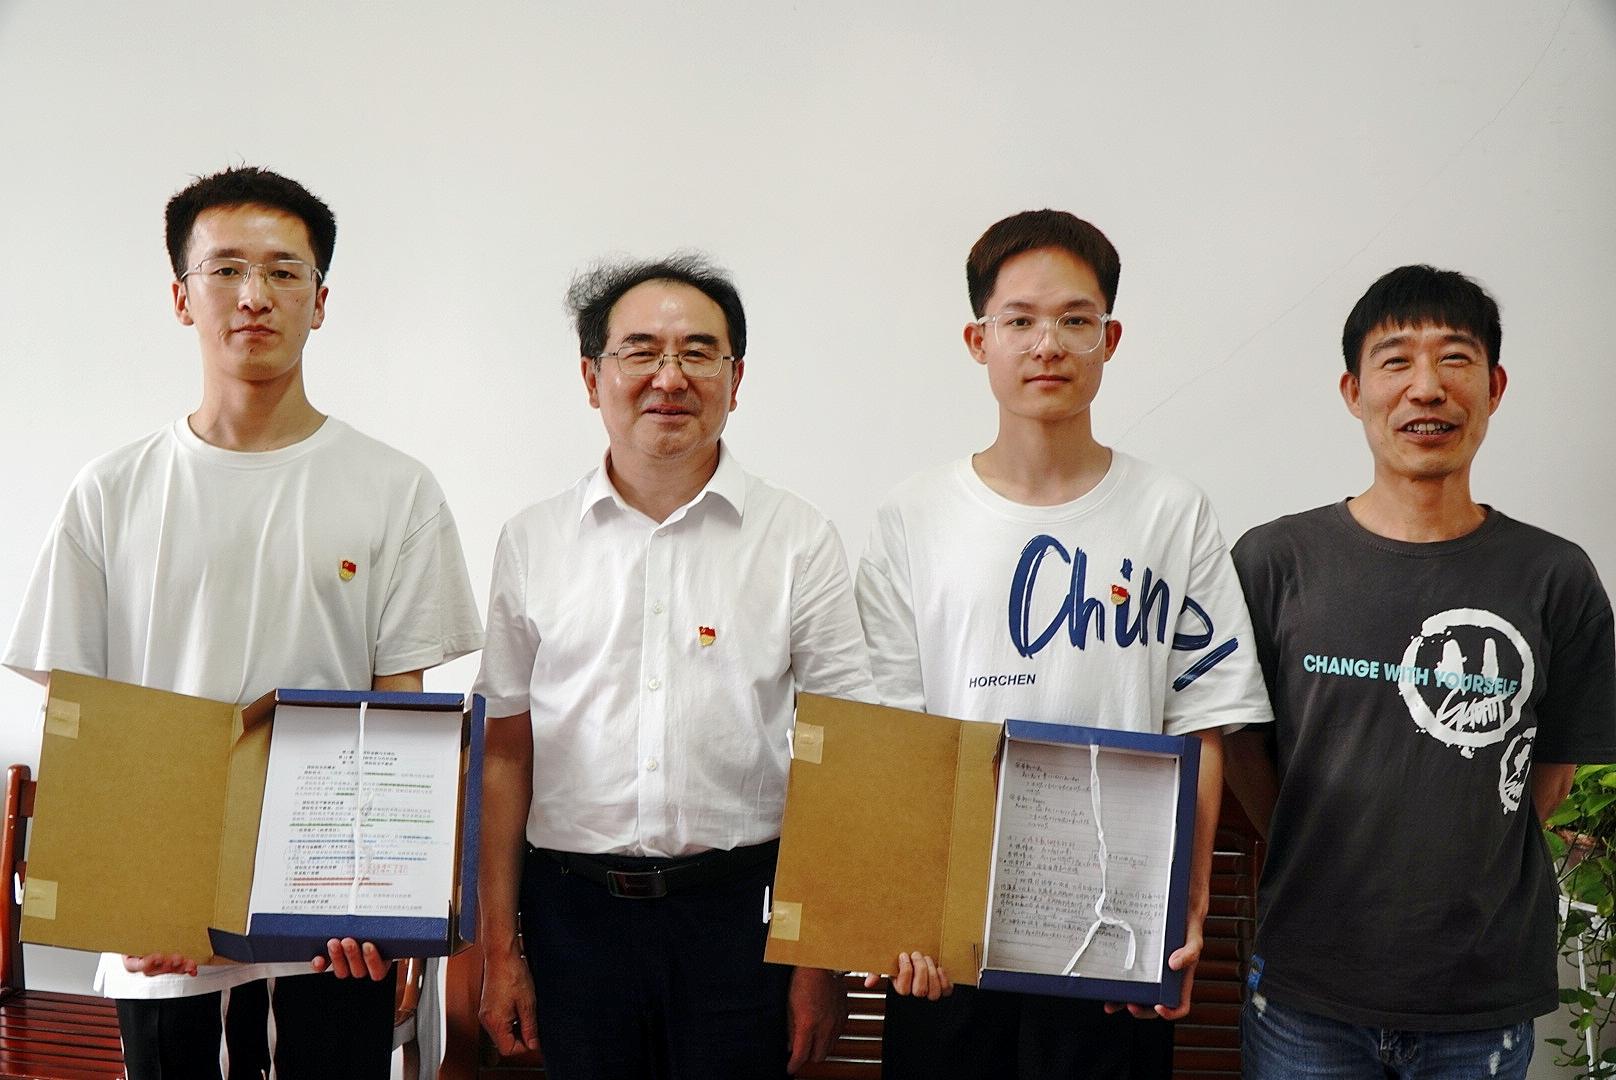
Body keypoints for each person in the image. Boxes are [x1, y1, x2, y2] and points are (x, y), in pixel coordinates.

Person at [2, 166, 484, 1079]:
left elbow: (398, 713)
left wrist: (379, 901)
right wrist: (127, 895)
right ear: (181, 297)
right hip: (162, 929)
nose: (254, 296)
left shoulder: (396, 489)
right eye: (224, 269)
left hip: (332, 931)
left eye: (283, 271)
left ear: (320, 300)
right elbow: (80, 714)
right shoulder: (112, 490)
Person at [855, 209, 1273, 1079]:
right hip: (950, 945)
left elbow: (1202, 723)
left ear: (1109, 339)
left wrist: (1186, 905)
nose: (1048, 344)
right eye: (1020, 320)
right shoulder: (913, 516)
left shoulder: (1171, 512)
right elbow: (893, 734)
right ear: (979, 339)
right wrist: (902, 913)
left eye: (1075, 320)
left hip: (1115, 943)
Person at [473, 254, 872, 1078]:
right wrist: (500, 948)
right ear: (592, 377)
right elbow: (505, 753)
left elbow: (843, 758)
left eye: (698, 352)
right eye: (641, 351)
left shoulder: (797, 540)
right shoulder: (533, 540)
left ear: (736, 378)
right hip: (573, 919)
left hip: (741, 920)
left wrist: (818, 960)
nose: (670, 377)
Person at [1224, 264, 1616, 1079]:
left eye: (1455, 358)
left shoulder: (1555, 576)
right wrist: (1304, 834)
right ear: (1353, 390)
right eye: (1396, 360)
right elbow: (1240, 745)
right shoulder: (1275, 562)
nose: (1427, 387)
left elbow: (1548, 772)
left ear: (1495, 387)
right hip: (1306, 992)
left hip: (1479, 1000)